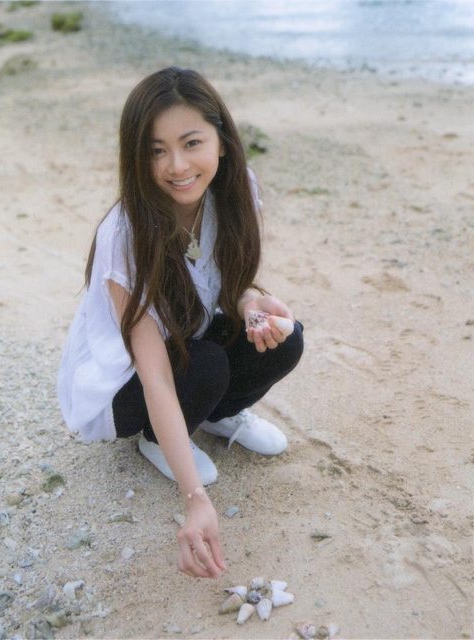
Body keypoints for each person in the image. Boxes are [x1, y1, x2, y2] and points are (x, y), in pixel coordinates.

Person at [57, 66, 304, 579]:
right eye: (156, 151)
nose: (177, 166)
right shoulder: (125, 235)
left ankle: (215, 415)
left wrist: (252, 306)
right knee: (207, 364)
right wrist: (195, 499)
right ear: (136, 156)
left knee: (285, 340)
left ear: (222, 141)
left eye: (192, 143)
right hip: (126, 385)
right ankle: (157, 439)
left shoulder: (233, 192)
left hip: (188, 339)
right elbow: (154, 376)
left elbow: (229, 284)